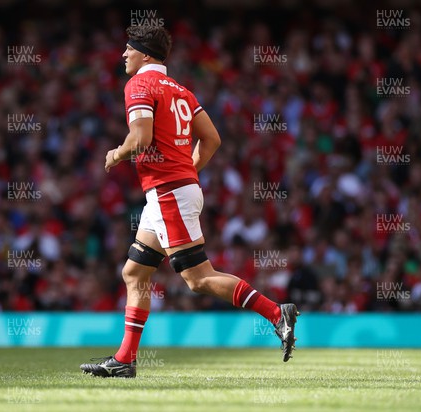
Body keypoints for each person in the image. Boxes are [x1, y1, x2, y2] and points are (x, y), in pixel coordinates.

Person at [80, 25, 299, 378]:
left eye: (128, 48)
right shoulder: (181, 91)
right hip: (171, 192)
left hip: (168, 192)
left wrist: (116, 155)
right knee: (134, 271)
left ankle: (277, 313)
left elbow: (140, 137)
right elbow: (211, 139)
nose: (123, 54)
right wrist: (187, 172)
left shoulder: (139, 84)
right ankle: (125, 360)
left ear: (145, 54)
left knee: (198, 279)